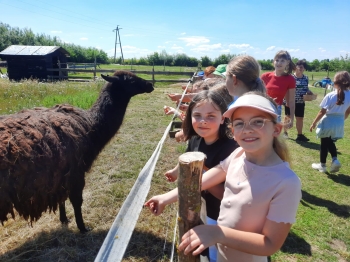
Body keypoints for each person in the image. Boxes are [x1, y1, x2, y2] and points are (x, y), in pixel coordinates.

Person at [145, 92, 301, 262]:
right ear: (233, 131)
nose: (247, 129)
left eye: (258, 122)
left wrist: (217, 233)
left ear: (276, 129)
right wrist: (165, 198)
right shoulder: (238, 155)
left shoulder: (286, 182)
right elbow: (203, 181)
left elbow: (270, 244)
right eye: (239, 123)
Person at [165, 85, 237, 261]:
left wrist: (201, 175)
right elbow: (188, 156)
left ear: (223, 118)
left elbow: (226, 195)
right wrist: (176, 172)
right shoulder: (197, 138)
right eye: (197, 115)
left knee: (215, 252)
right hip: (200, 203)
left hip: (219, 212)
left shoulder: (230, 149)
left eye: (211, 116)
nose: (203, 121)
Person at [310, 71, 350, 173]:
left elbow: (322, 111)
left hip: (328, 121)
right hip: (339, 121)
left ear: (336, 82)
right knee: (330, 141)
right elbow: (348, 111)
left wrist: (314, 123)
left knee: (324, 143)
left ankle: (322, 165)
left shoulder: (331, 95)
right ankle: (335, 159)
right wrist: (341, 120)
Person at [261, 50, 296, 129]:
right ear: (273, 61)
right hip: (262, 108)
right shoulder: (265, 76)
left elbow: (291, 101)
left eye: (282, 61)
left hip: (276, 110)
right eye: (277, 60)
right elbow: (256, 94)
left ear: (287, 62)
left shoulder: (290, 79)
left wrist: (291, 119)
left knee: (273, 134)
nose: (279, 63)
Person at [284, 60, 314, 141]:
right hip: (290, 101)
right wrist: (286, 101)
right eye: (300, 66)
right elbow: (286, 89)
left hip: (301, 101)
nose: (301, 68)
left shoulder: (305, 78)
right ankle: (285, 133)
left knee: (300, 118)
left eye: (303, 67)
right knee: (288, 117)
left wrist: (308, 91)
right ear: (295, 67)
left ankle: (300, 135)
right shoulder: (290, 77)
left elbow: (305, 88)